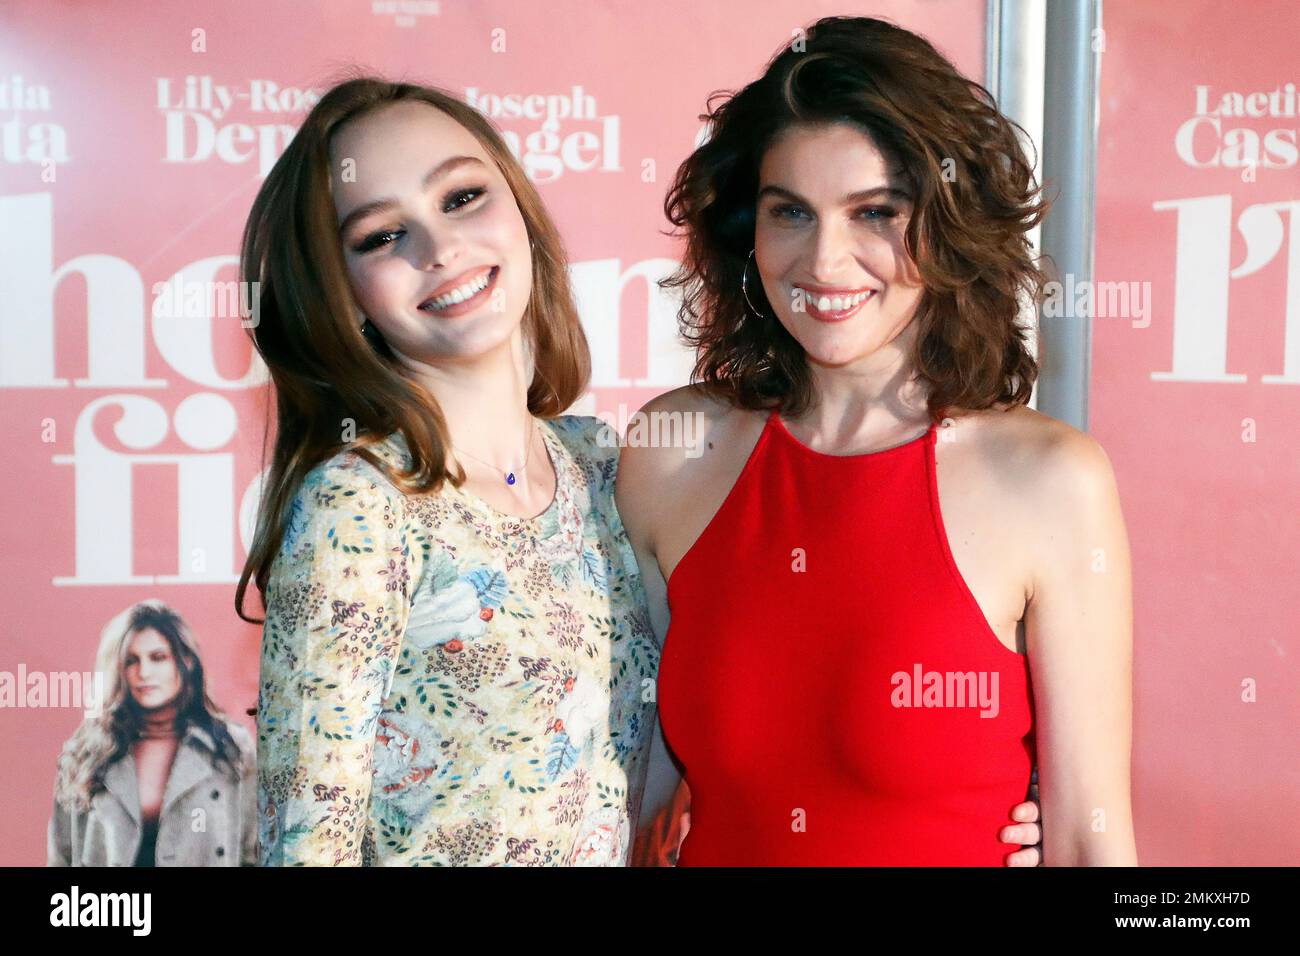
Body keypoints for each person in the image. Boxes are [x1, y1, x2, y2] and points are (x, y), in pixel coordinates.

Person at [617, 16, 1135, 865]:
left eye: (876, 213)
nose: (825, 260)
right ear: (748, 228)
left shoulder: (1048, 482)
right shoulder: (672, 451)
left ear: (948, 225)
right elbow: (624, 797)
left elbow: (1090, 843)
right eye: (792, 212)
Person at [235, 77, 658, 866]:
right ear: (344, 295)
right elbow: (304, 847)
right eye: (381, 236)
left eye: (462, 197)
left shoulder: (601, 466)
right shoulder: (358, 505)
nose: (438, 249)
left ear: (522, 214)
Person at [48, 600, 256, 866]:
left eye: (158, 658)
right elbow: (61, 857)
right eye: (131, 661)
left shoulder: (231, 748)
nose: (144, 673)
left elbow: (254, 852)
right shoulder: (87, 752)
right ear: (118, 669)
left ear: (187, 661)